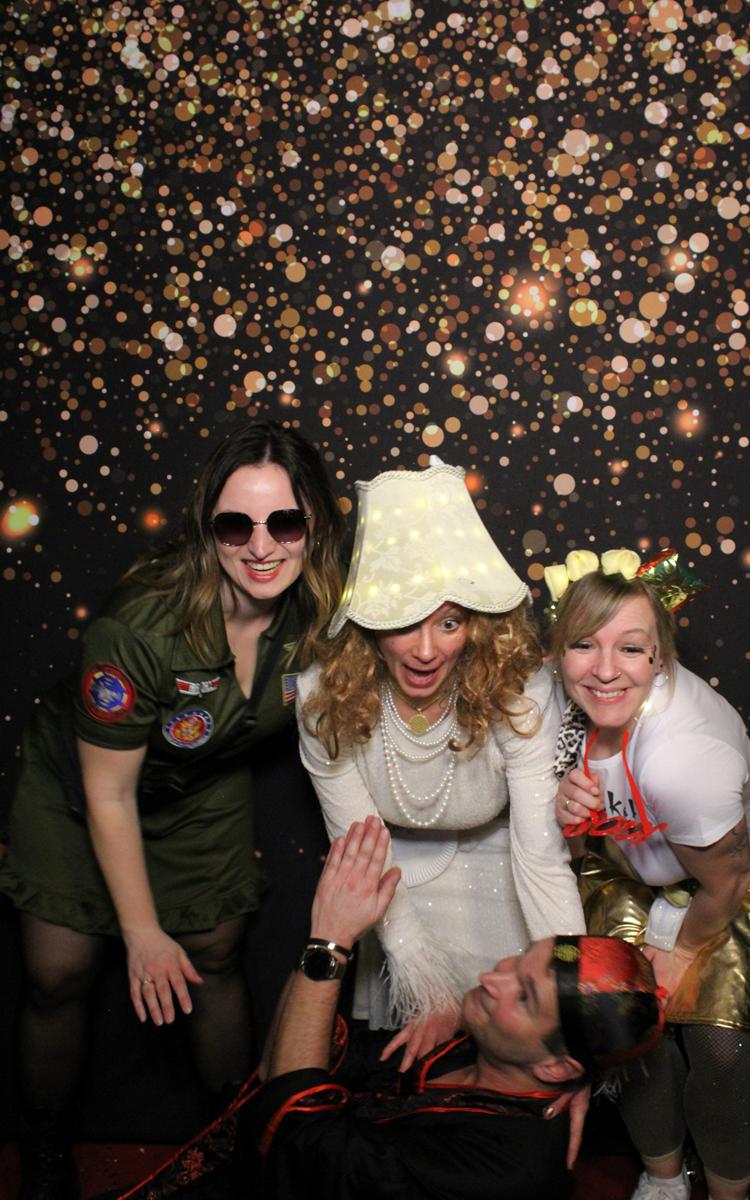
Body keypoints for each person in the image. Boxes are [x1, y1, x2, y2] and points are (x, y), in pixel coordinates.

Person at [0, 419, 345, 1200]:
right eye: (236, 525)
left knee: (214, 954)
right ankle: (44, 1152)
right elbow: (108, 792)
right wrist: (141, 931)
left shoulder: (321, 605)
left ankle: (238, 1143)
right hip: (81, 788)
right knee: (59, 972)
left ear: (315, 524)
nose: (262, 547)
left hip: (201, 778)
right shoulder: (140, 626)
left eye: (285, 522)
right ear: (207, 528)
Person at [95, 817, 664, 1200]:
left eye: (524, 996)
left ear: (558, 1068)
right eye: (517, 960)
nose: (492, 979)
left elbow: (292, 1124)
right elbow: (279, 1070)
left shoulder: (502, 1169)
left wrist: (330, 943)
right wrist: (325, 938)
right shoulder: (462, 1048)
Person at [297, 460, 586, 1068]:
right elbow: (362, 855)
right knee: (412, 1066)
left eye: (449, 623)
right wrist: (422, 977)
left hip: (505, 876)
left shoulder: (520, 695)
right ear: (368, 623)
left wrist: (573, 1014)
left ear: (477, 625)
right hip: (393, 887)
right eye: (404, 622)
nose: (426, 651)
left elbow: (541, 860)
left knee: (520, 1052)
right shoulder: (322, 697)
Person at [546, 548, 750, 1200]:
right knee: (626, 1025)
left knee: (720, 1047)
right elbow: (574, 847)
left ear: (661, 655)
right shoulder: (555, 701)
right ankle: (662, 1179)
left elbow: (728, 880)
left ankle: (728, 1192)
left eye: (630, 649)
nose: (605, 670)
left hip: (731, 874)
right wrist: (568, 817)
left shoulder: (684, 760)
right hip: (631, 863)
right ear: (557, 650)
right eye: (583, 644)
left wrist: (677, 950)